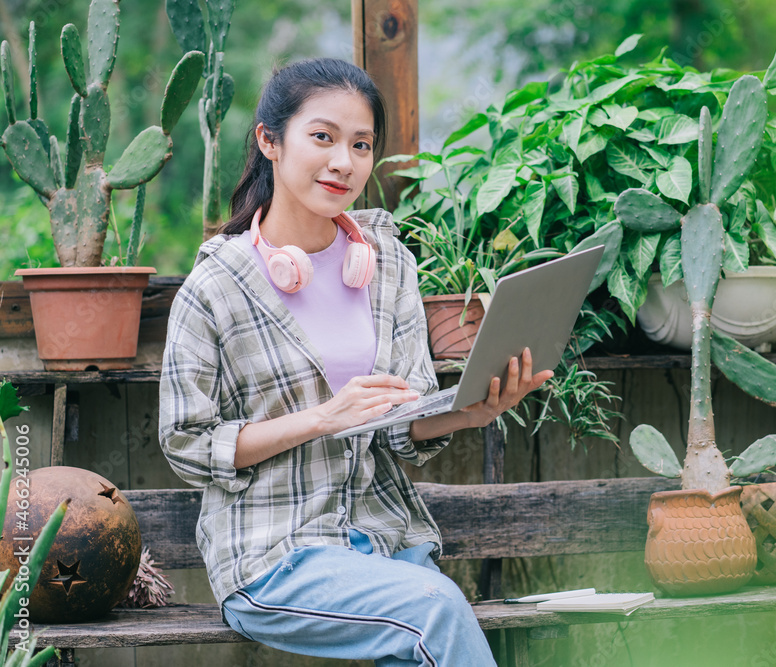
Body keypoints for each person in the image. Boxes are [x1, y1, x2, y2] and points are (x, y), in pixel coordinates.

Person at [158, 58, 551, 666]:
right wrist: (322, 418)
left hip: (384, 538)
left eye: (361, 144)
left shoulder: (387, 264)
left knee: (426, 622)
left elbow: (402, 419)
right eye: (323, 137)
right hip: (273, 554)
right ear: (269, 140)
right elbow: (186, 442)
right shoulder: (215, 289)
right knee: (436, 612)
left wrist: (470, 412)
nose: (344, 161)